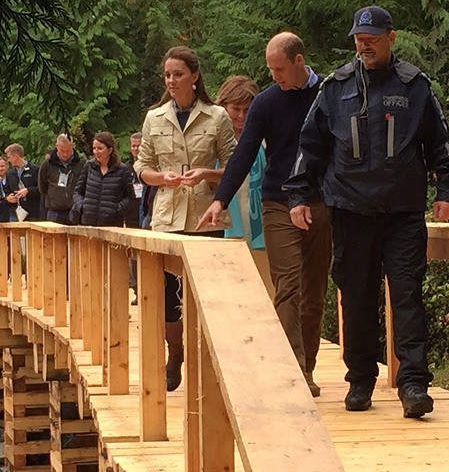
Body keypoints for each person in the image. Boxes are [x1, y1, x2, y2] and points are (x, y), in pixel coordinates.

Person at [286, 6, 449, 418]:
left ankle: (414, 384)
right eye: (358, 39)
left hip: (402, 212)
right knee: (357, 296)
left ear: (391, 37)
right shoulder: (335, 87)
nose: (363, 45)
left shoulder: (414, 85)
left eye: (371, 38)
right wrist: (298, 196)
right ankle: (360, 380)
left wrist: (447, 190)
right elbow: (310, 147)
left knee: (406, 295)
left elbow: (440, 141)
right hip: (349, 210)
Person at [196, 32, 332, 397]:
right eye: (270, 68)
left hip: (322, 202)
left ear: (299, 61)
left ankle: (309, 364)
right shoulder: (267, 104)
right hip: (279, 202)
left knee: (314, 292)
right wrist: (220, 200)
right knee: (288, 285)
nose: (274, 76)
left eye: (280, 69)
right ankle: (296, 373)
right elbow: (242, 155)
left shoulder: (329, 95)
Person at [133, 46, 236, 391]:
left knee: (207, 293)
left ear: (195, 76)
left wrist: (206, 172)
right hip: (166, 215)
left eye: (178, 74)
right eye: (167, 75)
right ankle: (174, 353)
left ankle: (208, 361)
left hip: (205, 216)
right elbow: (142, 166)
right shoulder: (154, 118)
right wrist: (162, 178)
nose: (172, 80)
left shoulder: (217, 116)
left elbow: (234, 167)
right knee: (166, 296)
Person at [216, 75, 274, 296]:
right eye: (236, 109)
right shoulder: (215, 137)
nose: (241, 116)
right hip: (226, 221)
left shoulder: (266, 136)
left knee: (265, 287)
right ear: (224, 106)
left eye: (247, 109)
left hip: (259, 222)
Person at [70, 132, 135, 226]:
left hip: (112, 224)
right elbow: (77, 191)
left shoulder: (122, 170)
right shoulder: (89, 166)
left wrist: (117, 209)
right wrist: (82, 205)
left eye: (100, 148)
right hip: (88, 223)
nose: (96, 151)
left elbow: (130, 197)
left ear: (110, 150)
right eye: (94, 148)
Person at [38, 133, 84, 224]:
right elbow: (42, 186)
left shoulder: (82, 164)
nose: (65, 154)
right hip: (54, 212)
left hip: (75, 211)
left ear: (73, 146)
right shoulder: (47, 164)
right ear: (57, 146)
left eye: (68, 150)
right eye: (62, 150)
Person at [125, 132, 144, 305]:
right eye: (133, 146)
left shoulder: (151, 167)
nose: (136, 149)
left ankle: (147, 291)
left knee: (145, 258)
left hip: (145, 216)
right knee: (132, 259)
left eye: (139, 145)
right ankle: (137, 291)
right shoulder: (126, 169)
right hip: (130, 217)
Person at [5, 143, 41, 221]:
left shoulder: (35, 169)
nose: (8, 160)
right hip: (16, 213)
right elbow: (6, 191)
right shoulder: (10, 173)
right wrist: (8, 198)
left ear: (16, 155)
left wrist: (28, 190)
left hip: (33, 212)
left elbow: (42, 189)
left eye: (9, 157)